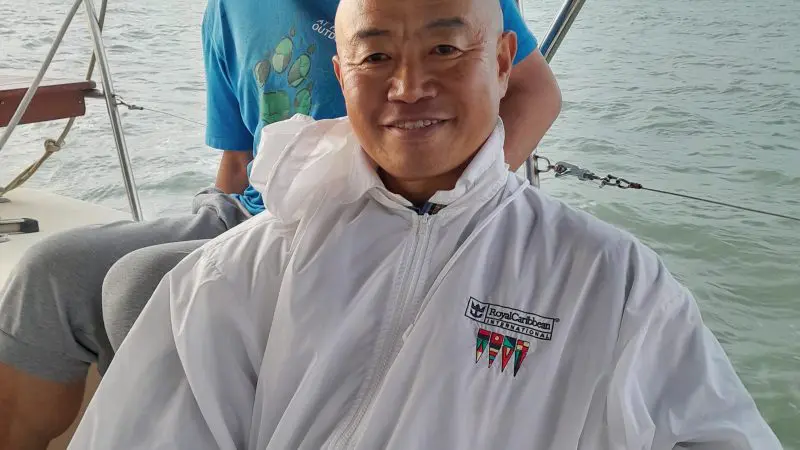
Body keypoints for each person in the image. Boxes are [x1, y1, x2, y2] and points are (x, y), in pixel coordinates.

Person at [68, 0, 781, 447]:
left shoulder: (612, 281)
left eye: (445, 49)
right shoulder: (236, 277)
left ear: (504, 63)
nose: (409, 87)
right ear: (343, 78)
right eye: (377, 57)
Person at [0, 0, 560, 448]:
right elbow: (237, 157)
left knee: (143, 284)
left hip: (389, 212)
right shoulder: (227, 9)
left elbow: (535, 93)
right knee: (54, 271)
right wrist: (222, 228)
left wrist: (450, 200)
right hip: (250, 208)